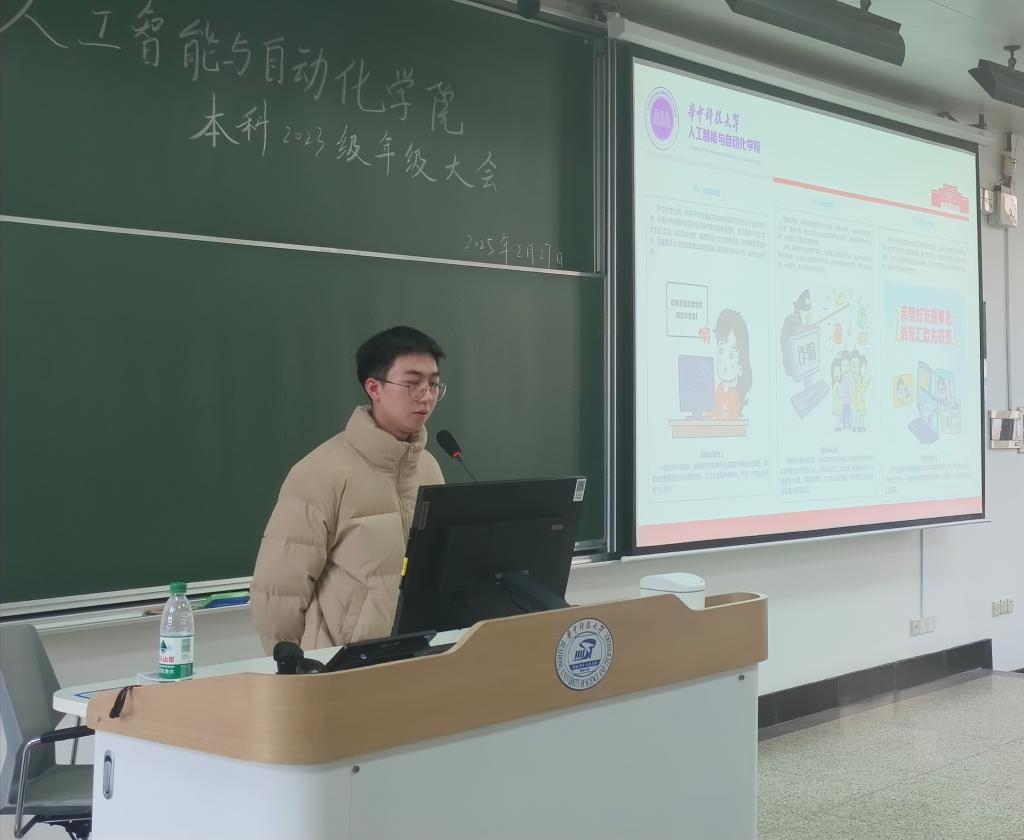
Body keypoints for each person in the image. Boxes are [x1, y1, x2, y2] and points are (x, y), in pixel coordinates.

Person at [251, 326, 446, 654]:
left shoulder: (428, 468)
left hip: (419, 653)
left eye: (433, 384)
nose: (426, 396)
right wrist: (297, 666)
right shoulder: (320, 473)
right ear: (374, 388)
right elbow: (277, 594)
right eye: (412, 384)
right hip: (342, 664)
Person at [709, 308, 752, 420]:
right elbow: (713, 411)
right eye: (721, 351)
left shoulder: (736, 394)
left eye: (731, 355)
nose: (725, 363)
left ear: (741, 366)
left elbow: (733, 415)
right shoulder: (719, 389)